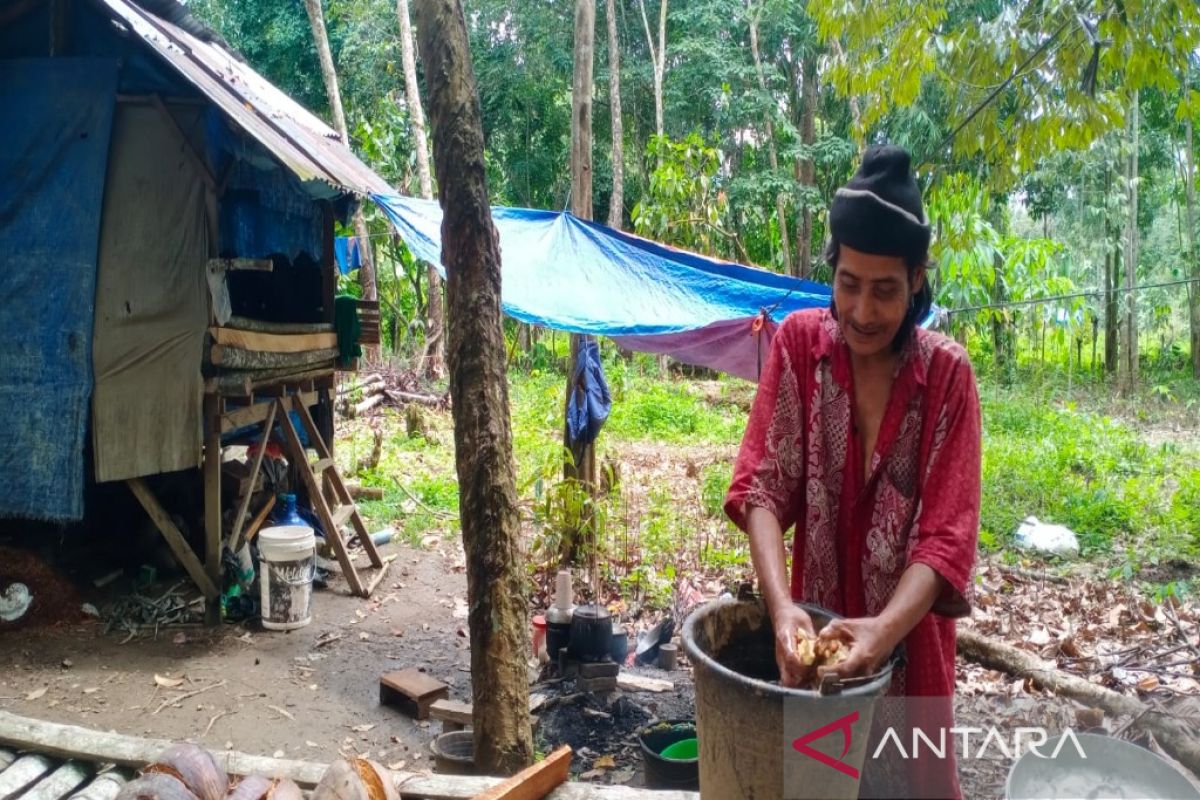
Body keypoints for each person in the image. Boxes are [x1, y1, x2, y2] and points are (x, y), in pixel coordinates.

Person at [724, 145, 981, 798]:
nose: (863, 312)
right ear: (832, 269)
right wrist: (782, 610)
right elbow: (762, 486)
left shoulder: (947, 378)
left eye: (886, 290)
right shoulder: (800, 346)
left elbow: (944, 538)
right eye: (850, 284)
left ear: (918, 278)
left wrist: (883, 633)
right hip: (818, 646)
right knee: (820, 784)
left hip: (911, 659)